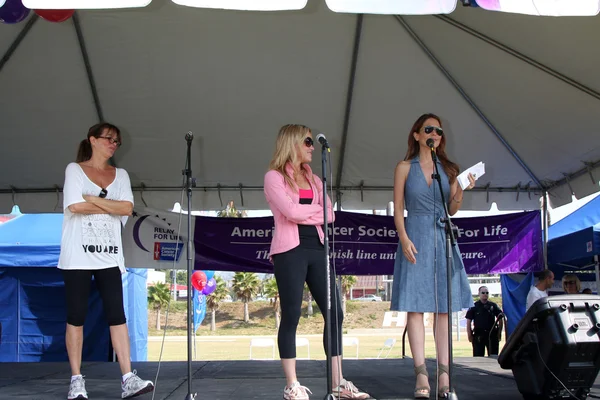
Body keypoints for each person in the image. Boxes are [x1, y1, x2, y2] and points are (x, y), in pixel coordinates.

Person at [264, 124, 369, 400]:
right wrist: (312, 211)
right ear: (293, 143)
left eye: (312, 142)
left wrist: (304, 212)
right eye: (307, 141)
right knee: (292, 315)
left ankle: (338, 382)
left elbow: (330, 214)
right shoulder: (273, 177)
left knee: (335, 313)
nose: (312, 147)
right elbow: (289, 211)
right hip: (290, 251)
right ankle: (292, 385)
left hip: (317, 249)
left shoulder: (314, 179)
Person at [58, 123, 154, 400]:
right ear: (93, 140)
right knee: (76, 316)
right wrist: (108, 203)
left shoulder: (120, 175)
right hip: (77, 255)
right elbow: (74, 206)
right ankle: (76, 380)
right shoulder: (74, 170)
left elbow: (127, 208)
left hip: (109, 256)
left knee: (118, 316)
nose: (113, 144)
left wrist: (92, 199)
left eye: (117, 141)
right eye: (109, 139)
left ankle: (128, 378)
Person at [391, 113, 475, 399]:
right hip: (415, 236)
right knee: (415, 308)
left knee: (443, 310)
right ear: (416, 135)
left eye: (439, 130)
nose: (435, 134)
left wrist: (461, 188)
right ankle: (421, 375)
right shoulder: (403, 167)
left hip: (442, 238)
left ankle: (444, 375)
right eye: (429, 129)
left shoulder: (448, 169)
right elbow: (398, 207)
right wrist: (403, 237)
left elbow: (452, 210)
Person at [465, 286, 503, 357]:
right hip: (479, 334)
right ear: (479, 294)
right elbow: (468, 321)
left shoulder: (493, 306)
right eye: (483, 292)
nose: (485, 294)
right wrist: (469, 335)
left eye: (487, 292)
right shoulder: (474, 306)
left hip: (492, 334)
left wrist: (499, 332)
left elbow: (500, 317)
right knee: (478, 357)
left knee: (493, 356)